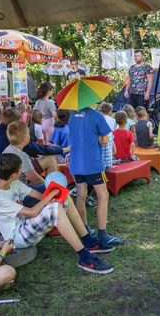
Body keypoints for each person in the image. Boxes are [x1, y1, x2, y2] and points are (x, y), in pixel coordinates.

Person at [0, 153, 114, 274]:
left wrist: (55, 195)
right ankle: (85, 258)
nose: (22, 171)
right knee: (54, 209)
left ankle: (88, 241)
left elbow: (39, 196)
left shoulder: (13, 183)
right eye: (20, 169)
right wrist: (50, 196)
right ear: (13, 175)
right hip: (16, 238)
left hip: (25, 224)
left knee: (64, 197)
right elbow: (32, 212)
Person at [68, 106, 123, 249]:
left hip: (76, 162)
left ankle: (84, 230)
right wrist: (96, 137)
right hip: (92, 163)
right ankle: (103, 234)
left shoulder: (72, 114)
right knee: (103, 195)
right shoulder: (97, 116)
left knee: (81, 195)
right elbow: (105, 140)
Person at [99, 102, 116, 170]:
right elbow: (114, 130)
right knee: (108, 154)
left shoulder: (99, 119)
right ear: (110, 111)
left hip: (102, 139)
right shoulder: (113, 120)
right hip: (109, 138)